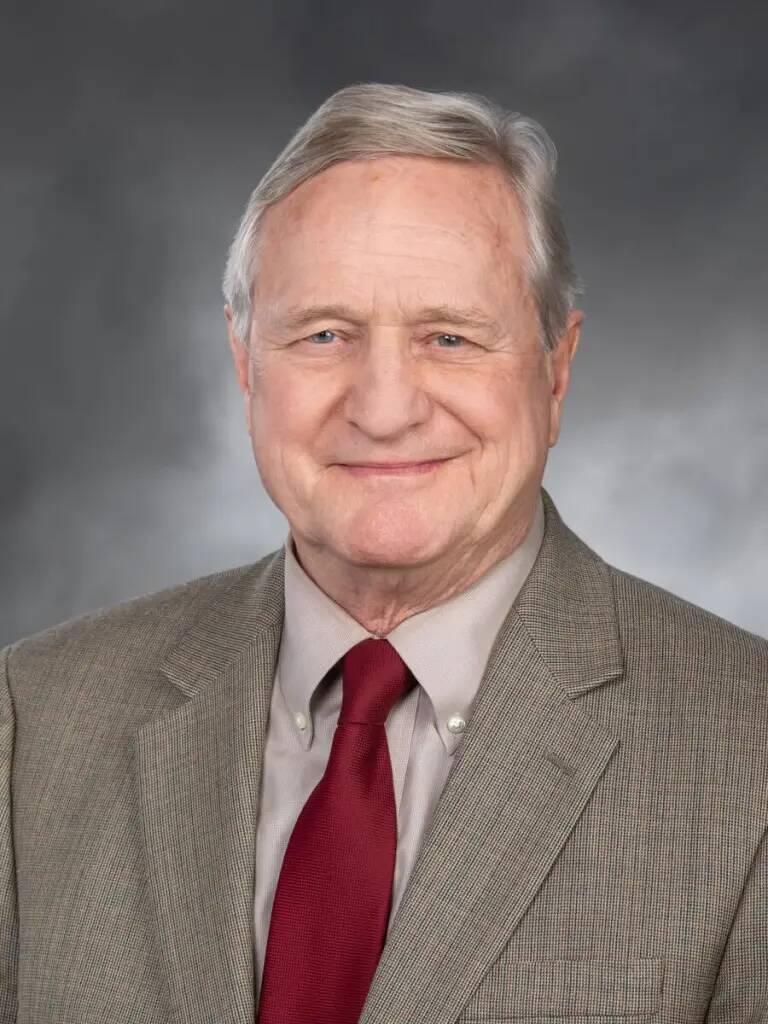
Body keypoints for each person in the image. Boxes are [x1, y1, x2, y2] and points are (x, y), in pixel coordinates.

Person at [1, 82, 766, 1024]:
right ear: (245, 362)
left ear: (556, 369)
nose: (385, 407)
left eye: (450, 337)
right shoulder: (35, 721)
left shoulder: (748, 753)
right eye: (324, 334)